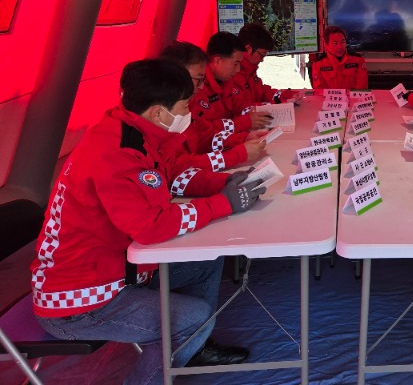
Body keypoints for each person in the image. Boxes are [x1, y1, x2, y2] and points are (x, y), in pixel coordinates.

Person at [30, 59, 263, 384]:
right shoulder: (115, 153)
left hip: (116, 270)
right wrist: (224, 203)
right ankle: (183, 342)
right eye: (185, 105)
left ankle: (193, 347)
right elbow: (152, 225)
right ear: (158, 112)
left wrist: (223, 183)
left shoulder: (136, 133)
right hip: (79, 299)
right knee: (192, 318)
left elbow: (172, 176)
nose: (190, 111)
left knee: (206, 263)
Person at [159, 41, 267, 185]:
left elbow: (204, 136)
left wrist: (243, 138)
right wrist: (236, 155)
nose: (201, 86)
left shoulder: (187, 102)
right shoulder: (161, 117)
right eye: (198, 79)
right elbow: (177, 170)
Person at [190, 32, 272, 132]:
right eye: (235, 64)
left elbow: (238, 104)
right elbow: (206, 132)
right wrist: (245, 123)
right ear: (217, 61)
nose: (238, 70)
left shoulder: (226, 81)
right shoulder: (196, 88)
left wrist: (254, 112)